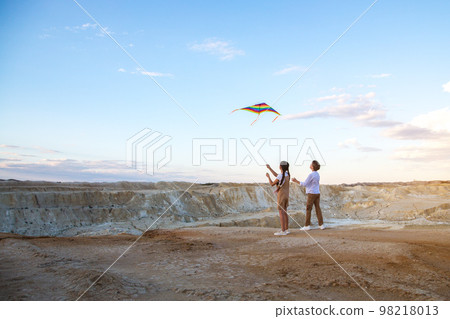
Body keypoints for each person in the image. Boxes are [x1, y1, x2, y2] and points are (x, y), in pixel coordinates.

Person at [292, 160, 325, 230]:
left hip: (312, 193)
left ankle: (307, 226)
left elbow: (304, 184)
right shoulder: (317, 174)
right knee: (318, 208)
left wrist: (296, 181)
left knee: (308, 209)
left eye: (310, 164)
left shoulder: (311, 175)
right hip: (317, 193)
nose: (310, 165)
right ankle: (321, 225)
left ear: (312, 167)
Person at [266, 161, 290, 236]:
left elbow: (272, 184)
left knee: (281, 213)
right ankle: (286, 229)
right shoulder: (287, 175)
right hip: (286, 195)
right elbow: (277, 175)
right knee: (285, 212)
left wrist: (268, 177)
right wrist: (269, 168)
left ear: (281, 167)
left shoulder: (281, 176)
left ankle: (283, 231)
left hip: (281, 195)